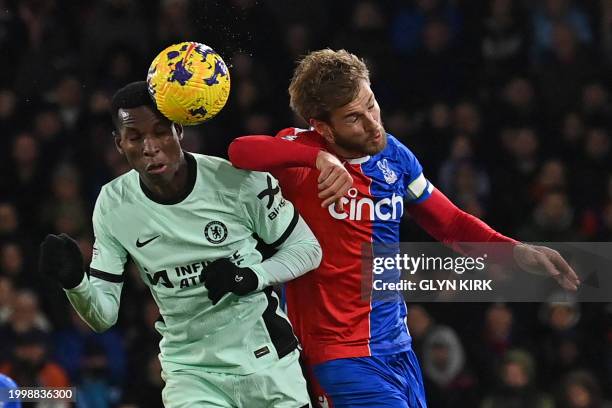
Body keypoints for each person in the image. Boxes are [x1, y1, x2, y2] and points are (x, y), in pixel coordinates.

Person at [228, 49, 580, 408]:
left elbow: (451, 223)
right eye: (353, 118)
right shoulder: (299, 156)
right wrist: (317, 157)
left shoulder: (395, 157)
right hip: (338, 353)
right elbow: (240, 151)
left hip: (397, 345)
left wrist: (515, 250)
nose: (372, 123)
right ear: (322, 126)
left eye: (371, 104)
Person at [39, 81, 322, 408]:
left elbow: (307, 249)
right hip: (191, 372)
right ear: (119, 144)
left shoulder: (236, 181)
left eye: (160, 132)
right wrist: (75, 283)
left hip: (267, 360)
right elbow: (102, 316)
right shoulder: (113, 204)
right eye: (135, 137)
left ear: (179, 131)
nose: (150, 147)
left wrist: (249, 276)